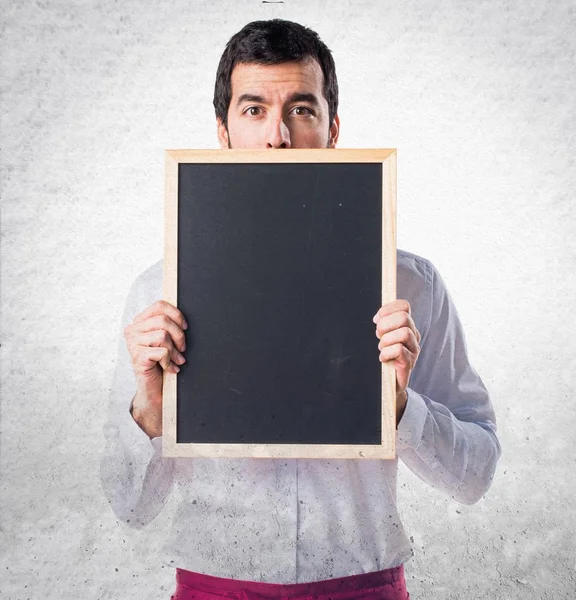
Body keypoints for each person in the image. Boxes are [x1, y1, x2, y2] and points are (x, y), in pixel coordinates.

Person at [101, 18, 501, 600]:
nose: (278, 137)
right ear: (223, 130)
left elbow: (477, 475)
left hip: (364, 584)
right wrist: (151, 410)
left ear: (333, 129)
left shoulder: (410, 284)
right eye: (255, 108)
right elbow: (129, 506)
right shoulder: (159, 293)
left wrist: (399, 411)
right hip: (216, 584)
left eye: (302, 110)